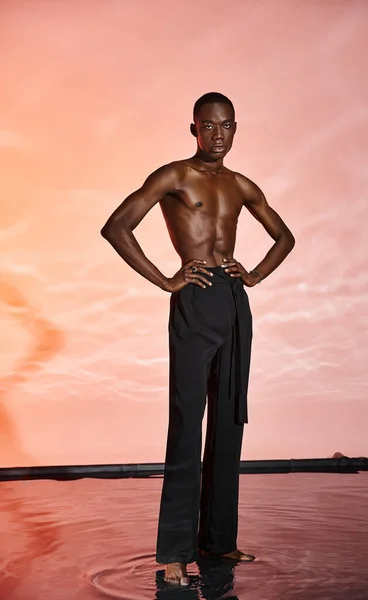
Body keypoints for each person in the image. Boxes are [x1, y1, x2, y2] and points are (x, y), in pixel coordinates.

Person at [101, 92, 295, 586]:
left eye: (225, 126)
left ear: (235, 129)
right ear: (193, 129)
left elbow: (284, 236)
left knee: (229, 422)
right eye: (207, 125)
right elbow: (117, 226)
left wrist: (251, 276)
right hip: (194, 301)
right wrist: (166, 280)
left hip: (232, 303)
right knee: (188, 424)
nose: (216, 135)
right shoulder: (173, 176)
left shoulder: (240, 184)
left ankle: (218, 541)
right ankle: (173, 553)